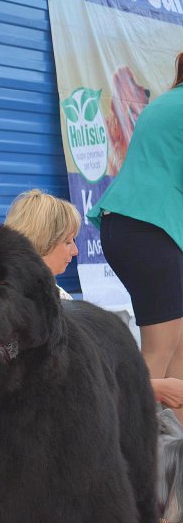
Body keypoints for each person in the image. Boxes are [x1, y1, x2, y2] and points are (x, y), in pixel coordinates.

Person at [5, 189, 183, 411]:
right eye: (67, 242)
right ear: (42, 241)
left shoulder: (23, 294)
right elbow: (69, 385)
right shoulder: (34, 306)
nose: (75, 251)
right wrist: (154, 388)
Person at [88, 53, 183, 424]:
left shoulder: (167, 102)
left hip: (130, 226)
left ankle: (172, 449)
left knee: (177, 350)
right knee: (159, 354)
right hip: (149, 229)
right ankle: (125, 449)